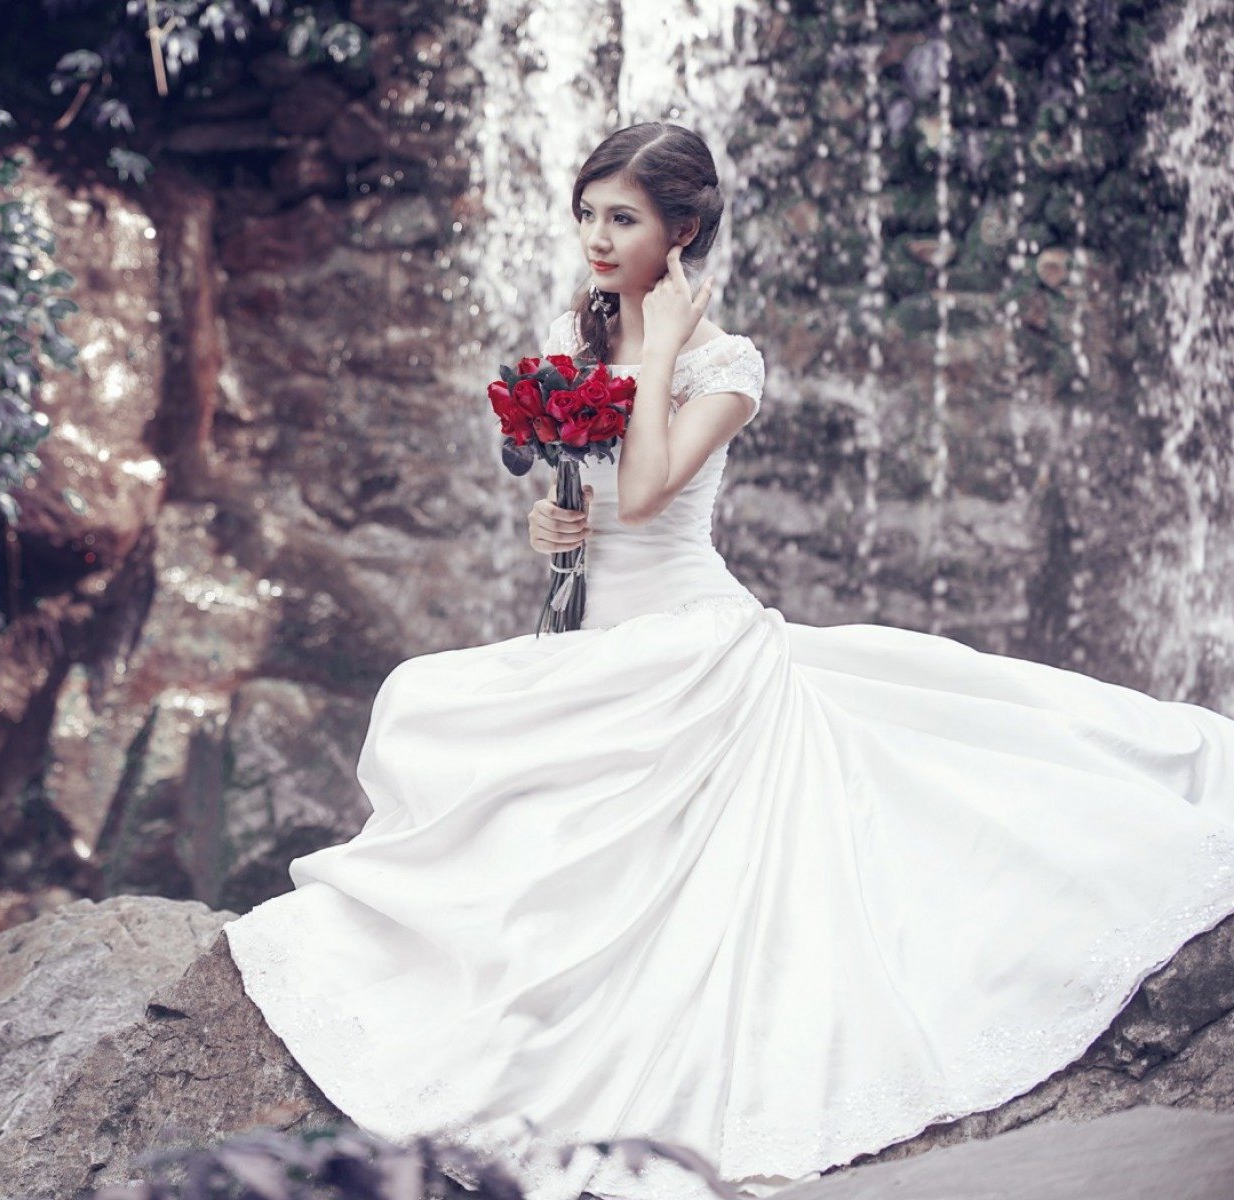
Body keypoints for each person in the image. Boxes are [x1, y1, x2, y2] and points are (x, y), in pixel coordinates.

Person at [218, 121, 1234, 1200]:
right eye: (588, 213)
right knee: (419, 699)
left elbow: (650, 491)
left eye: (623, 218)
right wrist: (551, 526)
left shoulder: (726, 365)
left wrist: (657, 356)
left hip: (692, 639)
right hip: (591, 635)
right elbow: (588, 498)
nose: (596, 238)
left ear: (682, 229)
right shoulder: (572, 350)